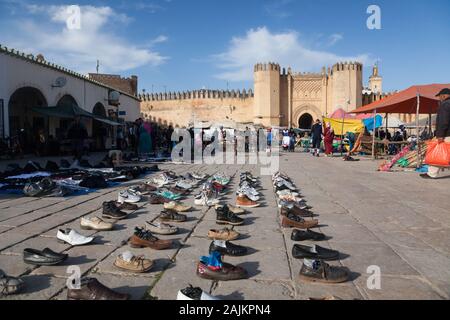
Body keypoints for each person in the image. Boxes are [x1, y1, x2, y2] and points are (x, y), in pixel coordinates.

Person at [421, 88, 450, 179]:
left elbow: (443, 121)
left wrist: (440, 135)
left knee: (438, 152)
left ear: (444, 96)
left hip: (446, 134)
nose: (439, 99)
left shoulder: (445, 105)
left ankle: (432, 173)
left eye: (440, 97)